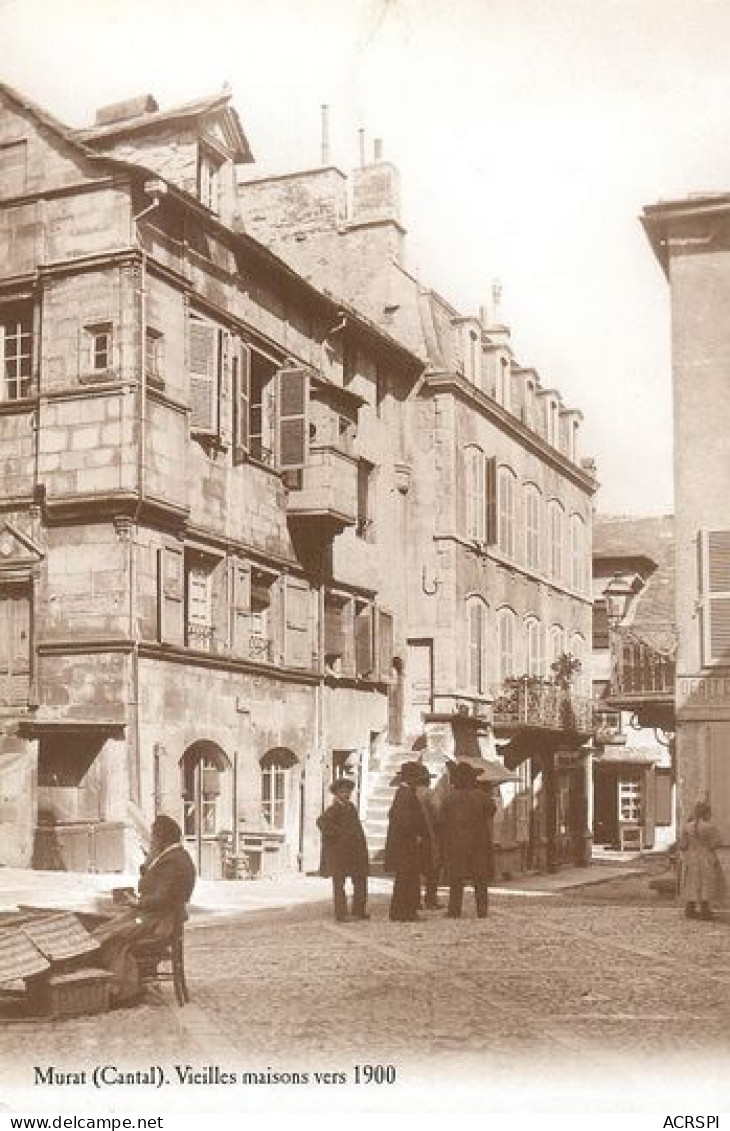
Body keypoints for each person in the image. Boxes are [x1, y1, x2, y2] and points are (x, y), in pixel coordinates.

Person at [92, 814, 196, 1003]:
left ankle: (122, 989)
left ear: (160, 838)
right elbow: (153, 886)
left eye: (154, 836)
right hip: (155, 917)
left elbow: (161, 898)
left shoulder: (172, 861)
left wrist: (136, 903)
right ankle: (122, 983)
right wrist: (148, 862)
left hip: (157, 922)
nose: (151, 840)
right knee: (108, 928)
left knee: (111, 935)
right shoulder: (175, 856)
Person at [439, 761, 493, 919]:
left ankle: (454, 910)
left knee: (456, 878)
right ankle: (482, 910)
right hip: (478, 842)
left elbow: (442, 819)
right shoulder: (481, 796)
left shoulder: (449, 798)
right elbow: (491, 811)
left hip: (456, 842)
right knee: (480, 878)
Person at [316, 777, 369, 922]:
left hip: (354, 852)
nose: (346, 794)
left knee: (360, 880)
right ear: (336, 794)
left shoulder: (351, 807)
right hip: (340, 853)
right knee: (339, 884)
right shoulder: (333, 809)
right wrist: (339, 835)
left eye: (348, 792)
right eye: (342, 792)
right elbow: (321, 823)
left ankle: (359, 910)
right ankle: (341, 913)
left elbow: (357, 828)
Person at [384, 760, 430, 922]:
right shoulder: (405, 794)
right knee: (407, 878)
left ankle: (402, 912)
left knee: (405, 878)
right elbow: (405, 821)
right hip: (406, 845)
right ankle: (405, 912)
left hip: (403, 844)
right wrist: (415, 836)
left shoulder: (403, 792)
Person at [680, 800, 724, 921]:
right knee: (706, 882)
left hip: (692, 858)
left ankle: (690, 908)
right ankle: (705, 910)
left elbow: (682, 845)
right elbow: (717, 843)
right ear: (706, 813)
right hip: (706, 858)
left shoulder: (687, 827)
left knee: (692, 882)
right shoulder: (709, 827)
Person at [415, 763, 442, 910]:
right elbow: (438, 813)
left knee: (415, 869)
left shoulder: (409, 793)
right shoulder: (430, 793)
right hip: (429, 835)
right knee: (432, 869)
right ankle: (431, 899)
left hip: (412, 836)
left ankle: (415, 899)